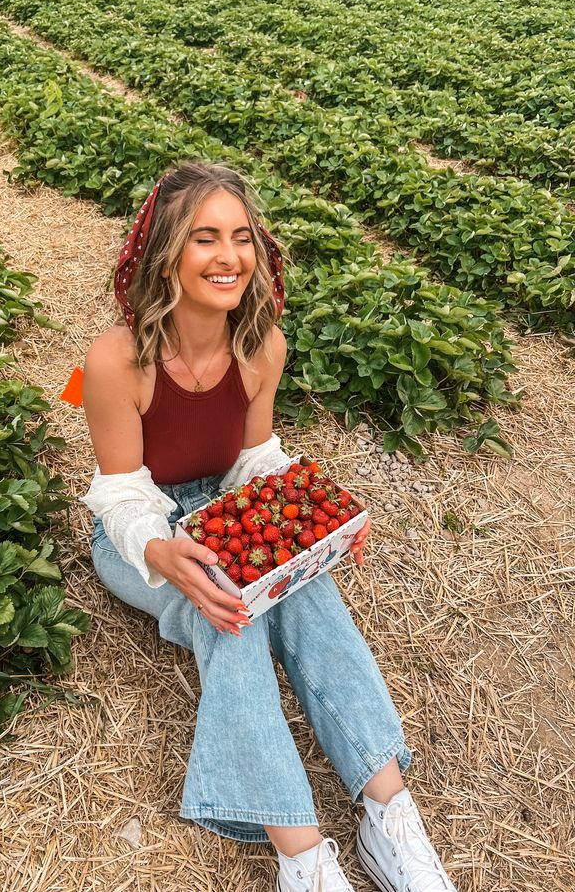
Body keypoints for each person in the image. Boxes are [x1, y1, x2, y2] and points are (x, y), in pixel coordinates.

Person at [80, 161, 457, 891]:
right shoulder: (116, 359)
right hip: (140, 532)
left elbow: (253, 457)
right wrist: (163, 547)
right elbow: (120, 493)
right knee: (227, 609)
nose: (229, 257)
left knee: (306, 587)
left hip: (217, 504)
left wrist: (316, 514)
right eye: (204, 238)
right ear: (165, 251)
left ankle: (389, 813)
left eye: (242, 238)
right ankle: (304, 854)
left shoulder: (261, 346)